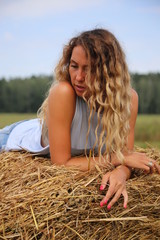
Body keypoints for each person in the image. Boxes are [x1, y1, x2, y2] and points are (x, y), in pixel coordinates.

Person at [0, 28, 160, 210]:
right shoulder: (64, 92)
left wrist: (121, 174)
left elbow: (127, 156)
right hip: (12, 138)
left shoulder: (128, 100)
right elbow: (61, 164)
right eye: (74, 66)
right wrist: (116, 159)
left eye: (89, 69)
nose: (78, 77)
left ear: (108, 72)